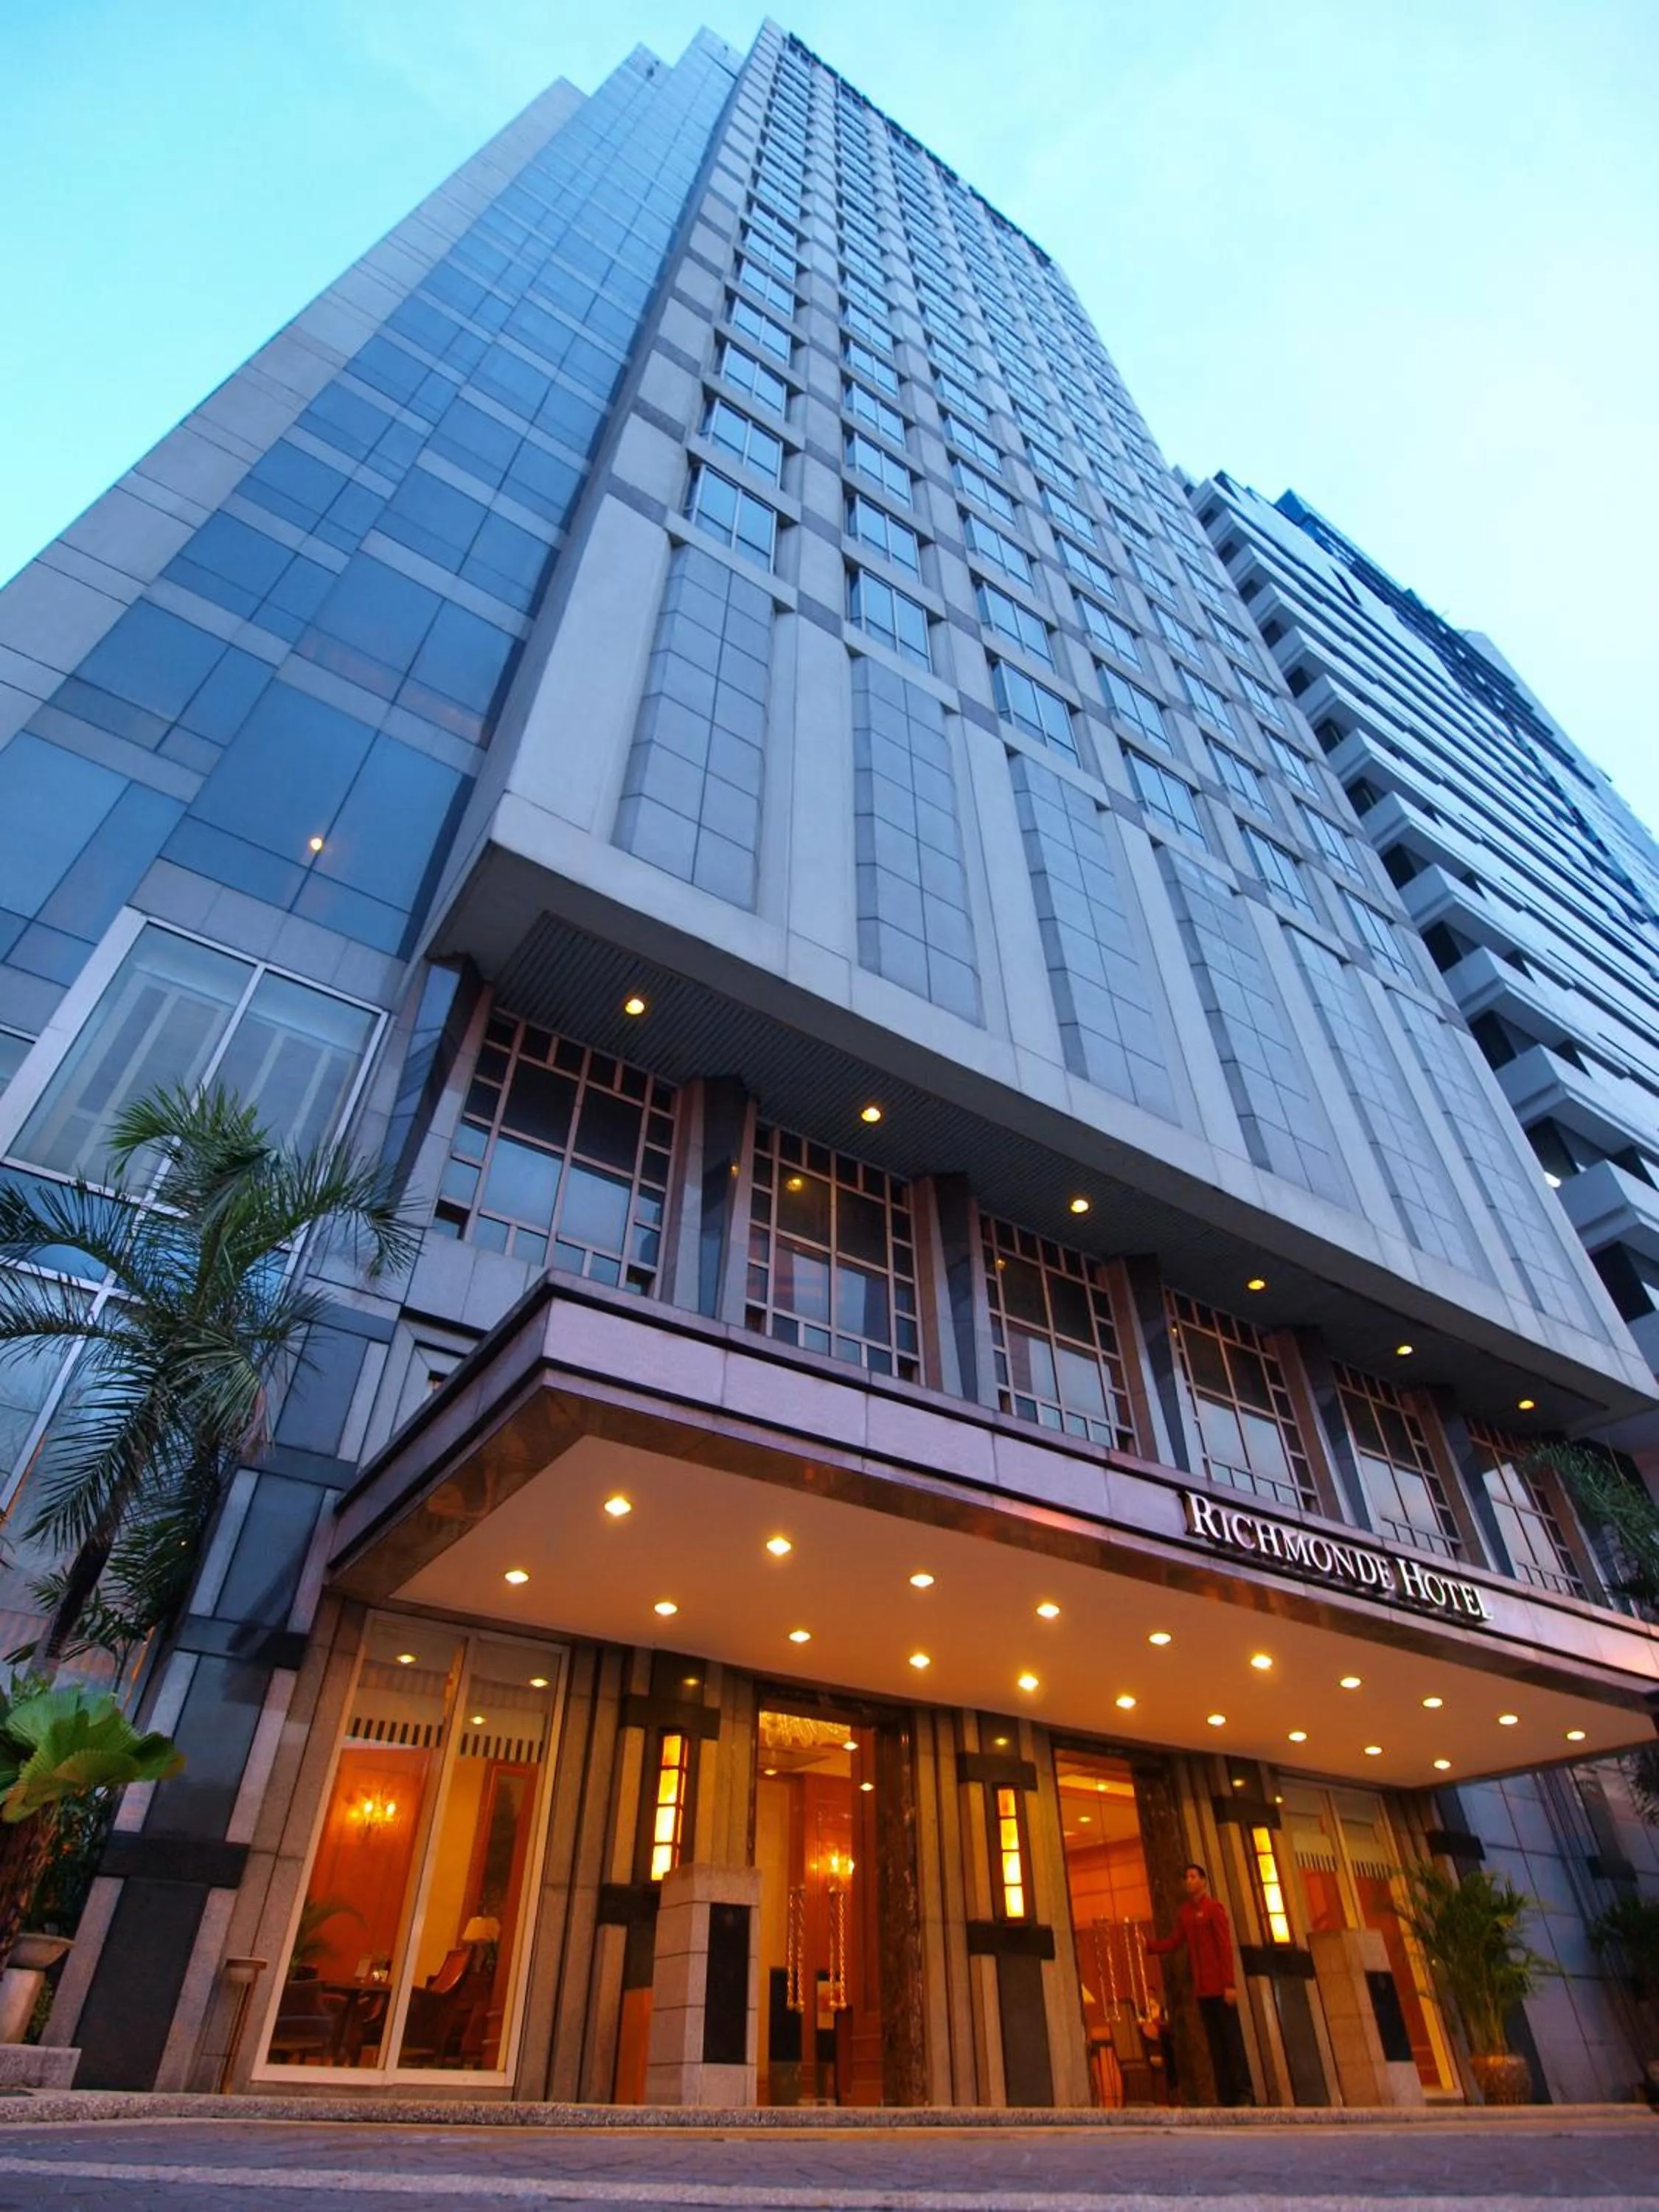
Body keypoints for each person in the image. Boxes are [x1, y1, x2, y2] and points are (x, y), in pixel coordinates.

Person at [1147, 1862, 1254, 2106]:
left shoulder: (1214, 1909)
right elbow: (1175, 1941)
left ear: (1204, 1881)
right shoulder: (1185, 1913)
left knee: (1232, 2041)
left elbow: (1224, 1947)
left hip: (1220, 1988)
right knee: (1215, 2044)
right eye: (1187, 1878)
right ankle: (1225, 2097)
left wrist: (1229, 1984)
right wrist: (1151, 1946)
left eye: (1194, 1877)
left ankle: (1244, 2092)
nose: (1189, 1881)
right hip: (1203, 1990)